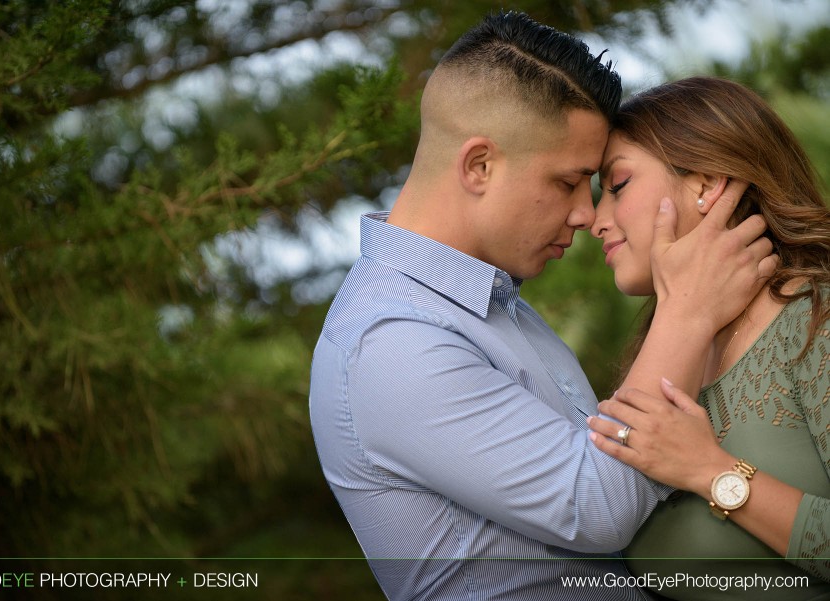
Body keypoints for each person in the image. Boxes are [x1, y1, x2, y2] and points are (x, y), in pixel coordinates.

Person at [309, 13, 776, 601]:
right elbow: (598, 506)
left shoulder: (488, 303)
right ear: (480, 166)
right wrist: (686, 311)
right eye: (567, 182)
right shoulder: (392, 340)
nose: (586, 213)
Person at [588, 76, 830, 599]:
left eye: (618, 185)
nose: (594, 220)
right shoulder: (665, 340)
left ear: (706, 183)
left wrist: (711, 471)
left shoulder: (817, 322)